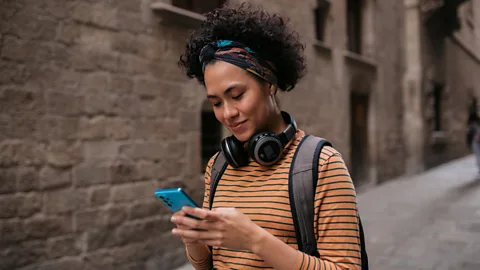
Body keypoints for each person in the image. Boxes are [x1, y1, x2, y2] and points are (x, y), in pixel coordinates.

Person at [170, 3, 363, 269]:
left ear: (269, 82)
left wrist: (254, 240)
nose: (227, 113)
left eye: (237, 96)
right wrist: (194, 239)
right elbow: (209, 265)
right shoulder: (219, 165)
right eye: (216, 103)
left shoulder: (322, 165)